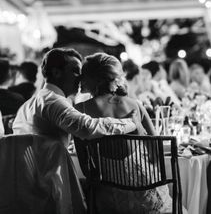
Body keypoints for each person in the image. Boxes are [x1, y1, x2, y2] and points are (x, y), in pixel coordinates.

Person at [75, 52, 172, 214]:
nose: (80, 79)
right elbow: (157, 155)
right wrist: (137, 129)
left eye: (83, 75)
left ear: (92, 79)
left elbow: (86, 168)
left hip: (110, 201)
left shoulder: (80, 111)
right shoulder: (135, 105)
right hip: (148, 196)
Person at [12, 48, 139, 147]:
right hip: (49, 176)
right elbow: (87, 127)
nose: (80, 78)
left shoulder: (28, 105)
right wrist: (130, 122)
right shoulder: (52, 101)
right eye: (75, 71)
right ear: (56, 73)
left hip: (28, 177)